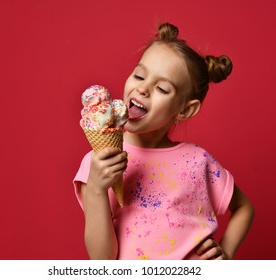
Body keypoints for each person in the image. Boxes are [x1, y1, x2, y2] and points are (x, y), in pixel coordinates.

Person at [73, 23, 254, 260]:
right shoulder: (99, 163)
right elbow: (102, 261)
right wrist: (96, 189)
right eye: (139, 75)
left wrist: (227, 253)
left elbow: (244, 208)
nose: (144, 88)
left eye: (161, 88)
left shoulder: (197, 161)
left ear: (185, 110)